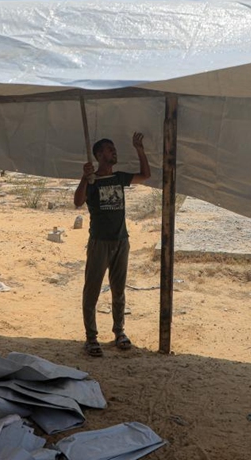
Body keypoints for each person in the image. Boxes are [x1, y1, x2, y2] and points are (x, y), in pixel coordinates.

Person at [74, 132, 150, 357]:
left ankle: (119, 332)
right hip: (99, 243)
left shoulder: (118, 178)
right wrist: (84, 177)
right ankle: (91, 338)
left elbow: (145, 175)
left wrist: (139, 149)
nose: (113, 151)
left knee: (119, 289)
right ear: (98, 154)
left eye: (114, 148)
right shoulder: (92, 181)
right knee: (92, 290)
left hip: (121, 241)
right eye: (109, 149)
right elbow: (78, 202)